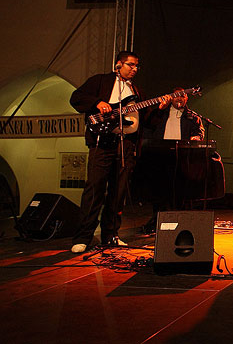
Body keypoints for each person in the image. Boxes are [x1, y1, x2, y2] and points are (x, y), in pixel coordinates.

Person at [69, 51, 148, 253]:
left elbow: (146, 120)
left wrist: (161, 106)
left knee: (118, 191)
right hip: (102, 141)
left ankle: (111, 235)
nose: (134, 69)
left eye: (137, 66)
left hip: (125, 144)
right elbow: (76, 97)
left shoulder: (135, 90)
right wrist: (97, 103)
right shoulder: (101, 81)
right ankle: (83, 237)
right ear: (118, 65)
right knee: (95, 189)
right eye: (131, 65)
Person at [137, 88, 205, 234]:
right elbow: (148, 124)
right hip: (160, 156)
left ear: (187, 99)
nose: (179, 99)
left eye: (182, 97)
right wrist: (160, 109)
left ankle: (181, 221)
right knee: (160, 190)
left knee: (181, 190)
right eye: (176, 97)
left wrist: (196, 138)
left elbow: (199, 132)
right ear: (171, 99)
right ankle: (157, 220)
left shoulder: (192, 117)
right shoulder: (160, 114)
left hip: (181, 157)